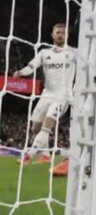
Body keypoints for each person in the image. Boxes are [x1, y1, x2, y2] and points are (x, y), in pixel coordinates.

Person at [13, 23, 75, 165]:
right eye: (58, 32)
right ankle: (46, 155)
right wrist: (21, 72)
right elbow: (31, 66)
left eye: (63, 33)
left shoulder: (73, 53)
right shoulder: (44, 53)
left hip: (63, 96)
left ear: (67, 36)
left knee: (47, 123)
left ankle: (29, 153)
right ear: (52, 35)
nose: (60, 35)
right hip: (47, 94)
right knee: (35, 127)